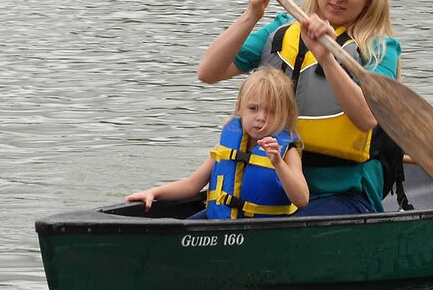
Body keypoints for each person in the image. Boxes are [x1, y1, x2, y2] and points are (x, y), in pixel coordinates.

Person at [197, 0, 401, 216]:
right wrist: (252, 14)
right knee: (207, 221)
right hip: (270, 184)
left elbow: (367, 118)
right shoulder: (282, 28)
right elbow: (208, 72)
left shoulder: (379, 47)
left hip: (341, 191)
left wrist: (327, 57)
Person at [126, 67, 309, 219]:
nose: (260, 118)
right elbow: (192, 185)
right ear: (239, 108)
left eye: (271, 111)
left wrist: (277, 162)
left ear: (285, 114)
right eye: (253, 109)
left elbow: (301, 199)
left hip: (261, 230)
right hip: (222, 225)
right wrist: (154, 192)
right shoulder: (226, 145)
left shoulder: (286, 152)